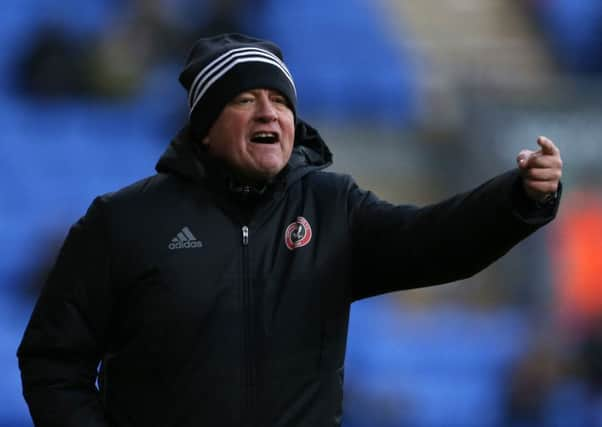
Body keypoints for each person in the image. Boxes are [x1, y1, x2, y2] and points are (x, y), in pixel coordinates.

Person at [17, 33, 563, 427]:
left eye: (280, 101)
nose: (269, 112)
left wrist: (516, 198)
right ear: (204, 128)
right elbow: (52, 359)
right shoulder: (123, 221)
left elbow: (436, 243)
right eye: (245, 98)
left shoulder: (331, 207)